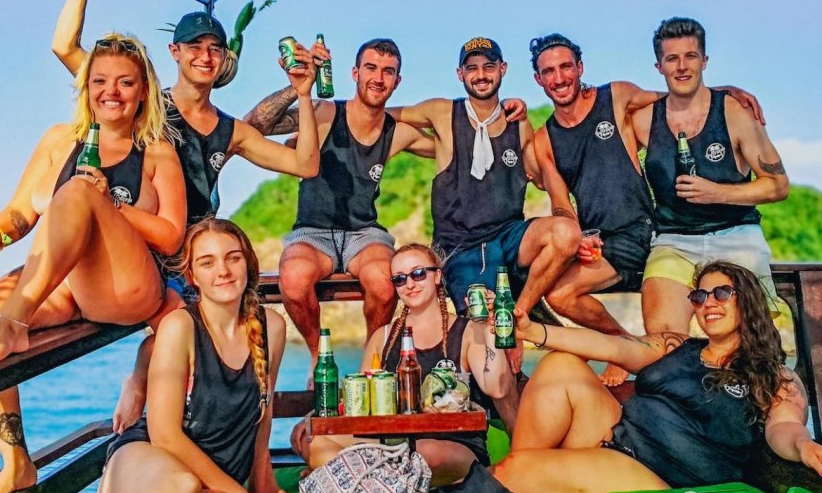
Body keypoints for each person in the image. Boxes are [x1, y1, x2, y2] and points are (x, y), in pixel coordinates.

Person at [52, 0, 320, 425]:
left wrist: (303, 93)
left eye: (215, 49)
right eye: (195, 46)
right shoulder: (145, 104)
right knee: (183, 330)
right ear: (174, 52)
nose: (205, 55)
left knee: (237, 334)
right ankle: (140, 386)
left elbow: (304, 165)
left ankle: (225, 440)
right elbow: (64, 48)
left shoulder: (229, 129)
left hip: (197, 249)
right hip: (149, 244)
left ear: (223, 60)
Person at [0, 33, 187, 493]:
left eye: (125, 82)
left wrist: (108, 201)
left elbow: (171, 236)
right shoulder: (60, 141)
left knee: (79, 194)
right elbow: (20, 214)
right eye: (100, 81)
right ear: (86, 87)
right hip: (63, 284)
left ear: (143, 90)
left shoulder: (157, 151)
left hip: (123, 286)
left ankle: (12, 322)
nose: (111, 91)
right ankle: (16, 463)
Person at [493, 262, 822, 493]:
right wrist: (533, 331)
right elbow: (611, 346)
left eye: (722, 293)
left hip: (661, 477)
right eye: (699, 296)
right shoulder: (675, 347)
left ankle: (506, 492)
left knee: (515, 470)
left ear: (747, 302)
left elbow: (784, 426)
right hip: (615, 438)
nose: (709, 303)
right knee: (561, 365)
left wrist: (804, 447)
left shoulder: (775, 376)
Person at [81, 219, 297, 493]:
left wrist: (265, 489)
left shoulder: (273, 327)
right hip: (148, 467)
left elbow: (262, 417)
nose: (223, 270)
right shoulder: (179, 326)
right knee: (182, 485)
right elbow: (164, 434)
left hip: (211, 489)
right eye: (207, 262)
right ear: (193, 276)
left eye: (233, 258)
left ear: (248, 264)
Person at [531, 32, 765, 340]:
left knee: (560, 294)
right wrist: (579, 240)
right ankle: (627, 346)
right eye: (549, 71)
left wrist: (724, 92)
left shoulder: (615, 96)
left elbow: (673, 99)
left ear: (580, 68)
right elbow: (561, 204)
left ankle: (624, 350)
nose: (559, 78)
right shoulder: (545, 139)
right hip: (599, 243)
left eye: (566, 67)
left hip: (639, 231)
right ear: (538, 79)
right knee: (555, 290)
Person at [245, 38, 433, 376]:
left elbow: (453, 141)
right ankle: (319, 356)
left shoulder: (398, 132)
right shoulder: (325, 112)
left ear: (397, 81)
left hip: (364, 234)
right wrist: (297, 87)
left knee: (383, 278)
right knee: (294, 276)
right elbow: (253, 127)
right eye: (371, 68)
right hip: (312, 232)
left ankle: (371, 359)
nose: (378, 78)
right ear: (354, 73)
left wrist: (500, 119)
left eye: (388, 72)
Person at [292, 244, 519, 484]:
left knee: (423, 454)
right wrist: (317, 421)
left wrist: (488, 326)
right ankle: (364, 483)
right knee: (313, 441)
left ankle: (343, 479)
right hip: (390, 444)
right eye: (399, 279)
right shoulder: (384, 337)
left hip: (450, 445)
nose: (410, 284)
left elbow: (497, 388)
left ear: (438, 276)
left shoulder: (467, 331)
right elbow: (359, 406)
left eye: (418, 273)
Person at [392, 37, 580, 324]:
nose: (481, 75)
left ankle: (522, 310)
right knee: (484, 320)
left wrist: (572, 216)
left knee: (566, 233)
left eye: (489, 66)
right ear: (460, 74)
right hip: (459, 247)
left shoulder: (519, 124)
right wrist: (312, 115)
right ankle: (501, 329)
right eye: (472, 68)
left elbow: (544, 179)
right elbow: (378, 114)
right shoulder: (443, 113)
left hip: (508, 239)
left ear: (502, 69)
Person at [630, 18, 789, 336]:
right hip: (673, 239)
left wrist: (718, 192)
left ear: (704, 61)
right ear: (659, 66)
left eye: (690, 56)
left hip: (736, 234)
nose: (682, 67)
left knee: (752, 342)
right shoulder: (643, 120)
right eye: (672, 59)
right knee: (664, 340)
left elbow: (778, 185)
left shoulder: (733, 112)